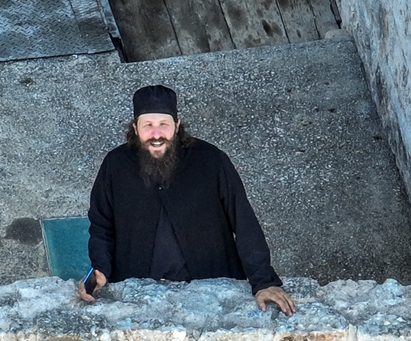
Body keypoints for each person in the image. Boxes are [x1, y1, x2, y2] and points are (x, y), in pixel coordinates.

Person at [78, 85, 296, 316]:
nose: (156, 134)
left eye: (164, 124)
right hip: (138, 293)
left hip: (210, 288)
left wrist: (263, 281)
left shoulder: (211, 160)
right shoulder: (115, 165)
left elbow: (243, 221)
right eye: (147, 126)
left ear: (177, 125)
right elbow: (102, 225)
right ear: (135, 128)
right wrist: (99, 267)